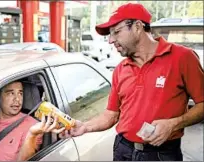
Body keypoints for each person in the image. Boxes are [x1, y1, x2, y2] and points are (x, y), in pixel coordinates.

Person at [60, 3, 204, 161]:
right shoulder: (120, 69)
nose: (111, 40)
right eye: (110, 34)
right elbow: (111, 115)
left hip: (162, 154)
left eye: (116, 32)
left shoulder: (182, 58)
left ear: (137, 26)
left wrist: (173, 124)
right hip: (123, 150)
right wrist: (84, 127)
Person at [0, 81, 64, 161]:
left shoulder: (32, 126)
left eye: (20, 93)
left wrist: (32, 134)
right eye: (11, 93)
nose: (17, 100)